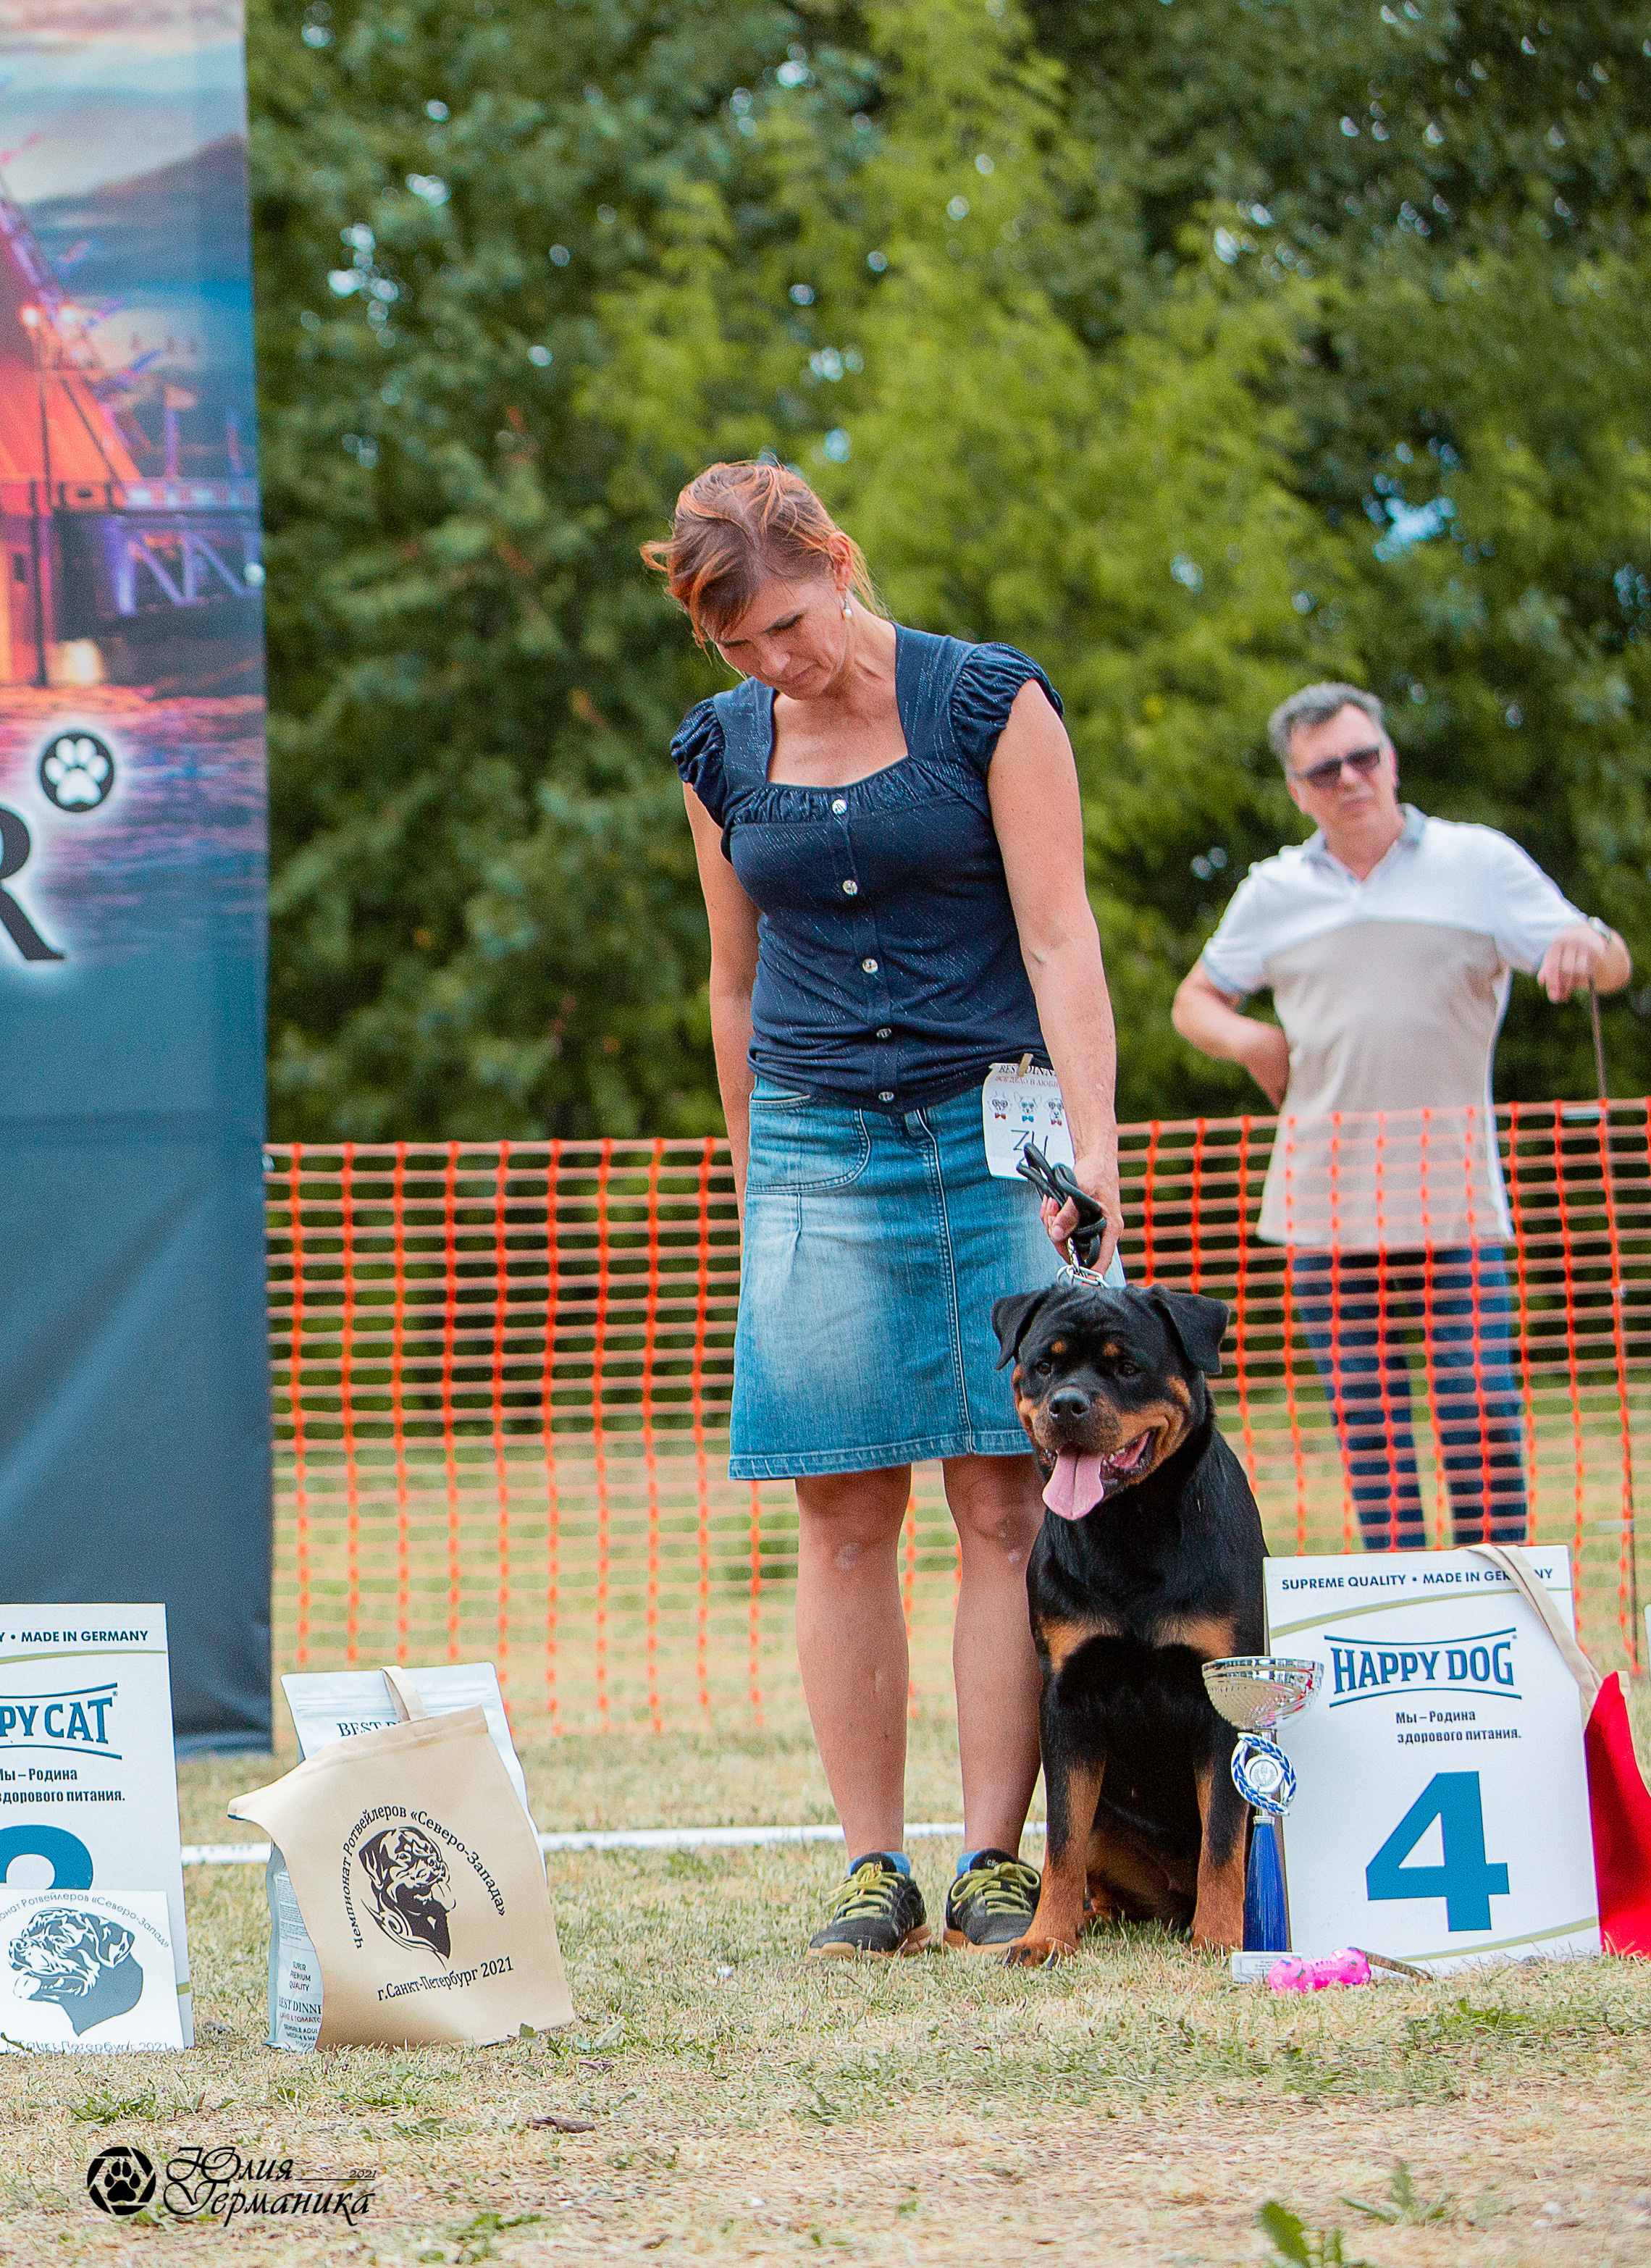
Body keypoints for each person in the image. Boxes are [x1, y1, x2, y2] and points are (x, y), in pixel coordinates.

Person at [644, 462, 1124, 1956]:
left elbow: (1060, 935)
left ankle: (990, 1858)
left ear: (838, 564)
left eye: (788, 624)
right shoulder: (718, 751)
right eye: (741, 648)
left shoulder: (990, 702)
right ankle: (872, 1866)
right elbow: (730, 981)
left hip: (997, 1134)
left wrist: (1091, 1156)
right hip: (812, 1144)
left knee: (1002, 1499)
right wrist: (753, 1174)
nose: (776, 663)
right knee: (843, 1512)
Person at [1172, 681, 1631, 1551]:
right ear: (1300, 789)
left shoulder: (1480, 862)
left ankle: (1498, 1589)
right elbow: (1193, 1001)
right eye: (1325, 769)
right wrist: (1252, 1043)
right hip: (1325, 1202)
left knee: (1478, 1401)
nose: (1351, 778)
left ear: (1390, 758)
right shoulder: (1273, 890)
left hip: (1456, 1195)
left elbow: (1607, 963)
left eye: (1363, 757)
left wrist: (1589, 943)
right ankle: (1401, 1598)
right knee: (1368, 1424)